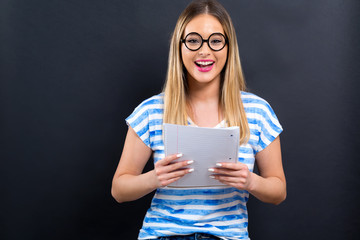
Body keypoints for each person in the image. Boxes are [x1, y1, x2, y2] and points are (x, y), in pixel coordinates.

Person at [111, 0, 286, 239]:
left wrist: (250, 181)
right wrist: (155, 177)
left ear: (228, 47)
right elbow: (119, 190)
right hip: (163, 235)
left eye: (215, 41)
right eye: (193, 41)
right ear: (180, 46)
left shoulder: (257, 112)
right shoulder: (151, 111)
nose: (204, 51)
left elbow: (278, 191)